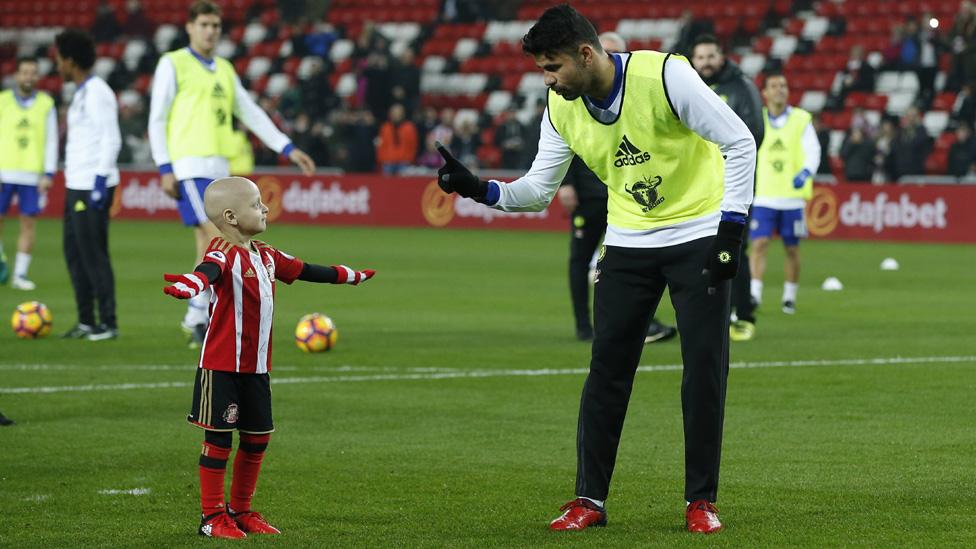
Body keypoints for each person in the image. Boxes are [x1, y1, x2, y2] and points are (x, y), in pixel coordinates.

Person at [436, 5, 755, 533]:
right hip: (628, 243)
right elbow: (538, 190)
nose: (548, 79)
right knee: (607, 371)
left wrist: (730, 232)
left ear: (586, 54)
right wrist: (479, 188)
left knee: (704, 371)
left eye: (553, 66)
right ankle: (589, 500)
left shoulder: (666, 74)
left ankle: (701, 501)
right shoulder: (560, 106)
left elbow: (739, 142)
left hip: (698, 236)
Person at [162, 176, 376, 539]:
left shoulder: (266, 254)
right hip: (221, 366)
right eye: (256, 203)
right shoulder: (221, 252)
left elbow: (306, 270)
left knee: (257, 438)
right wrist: (189, 285)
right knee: (218, 441)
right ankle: (212, 517)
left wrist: (349, 276)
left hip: (257, 367)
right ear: (230, 216)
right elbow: (205, 272)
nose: (264, 208)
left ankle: (242, 511)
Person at [149, 0, 315, 348]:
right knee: (216, 238)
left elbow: (250, 112)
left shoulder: (223, 69)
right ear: (190, 27)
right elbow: (158, 117)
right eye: (204, 24)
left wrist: (286, 146)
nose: (211, 31)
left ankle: (196, 315)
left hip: (219, 169)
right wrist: (165, 167)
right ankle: (201, 314)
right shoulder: (173, 63)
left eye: (216, 26)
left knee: (210, 241)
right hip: (189, 164)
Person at [555, 31, 677, 344]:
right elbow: (562, 143)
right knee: (580, 258)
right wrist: (566, 183)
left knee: (635, 262)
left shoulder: (635, 95)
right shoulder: (571, 99)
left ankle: (641, 323)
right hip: (588, 194)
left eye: (613, 53)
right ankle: (583, 325)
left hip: (625, 195)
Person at [690, 34, 764, 342]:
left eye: (711, 56)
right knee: (695, 247)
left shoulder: (741, 86)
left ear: (722, 57)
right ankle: (707, 312)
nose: (706, 62)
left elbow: (754, 133)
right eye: (701, 57)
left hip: (733, 181)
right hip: (695, 183)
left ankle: (743, 314)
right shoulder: (688, 88)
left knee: (734, 245)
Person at [55, 29, 122, 341]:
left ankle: (108, 323)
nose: (57, 65)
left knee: (94, 254)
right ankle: (86, 320)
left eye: (60, 59)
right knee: (74, 253)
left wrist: (99, 182)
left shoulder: (98, 92)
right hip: (75, 183)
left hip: (91, 185)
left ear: (71, 60)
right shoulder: (81, 92)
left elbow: (112, 138)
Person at [749, 73, 821, 315]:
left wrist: (806, 172)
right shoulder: (756, 120)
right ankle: (754, 294)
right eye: (774, 86)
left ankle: (789, 297)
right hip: (764, 194)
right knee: (759, 244)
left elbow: (814, 150)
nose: (780, 90)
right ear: (765, 93)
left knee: (792, 248)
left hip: (792, 197)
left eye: (783, 85)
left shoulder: (801, 119)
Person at [0, 57, 58, 290]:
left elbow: (51, 139)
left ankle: (20, 275)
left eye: (33, 73)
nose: (28, 77)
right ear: (16, 76)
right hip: (3, 170)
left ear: (37, 77)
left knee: (28, 224)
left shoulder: (45, 103)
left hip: (31, 174)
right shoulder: (3, 101)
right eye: (24, 72)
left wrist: (49, 173)